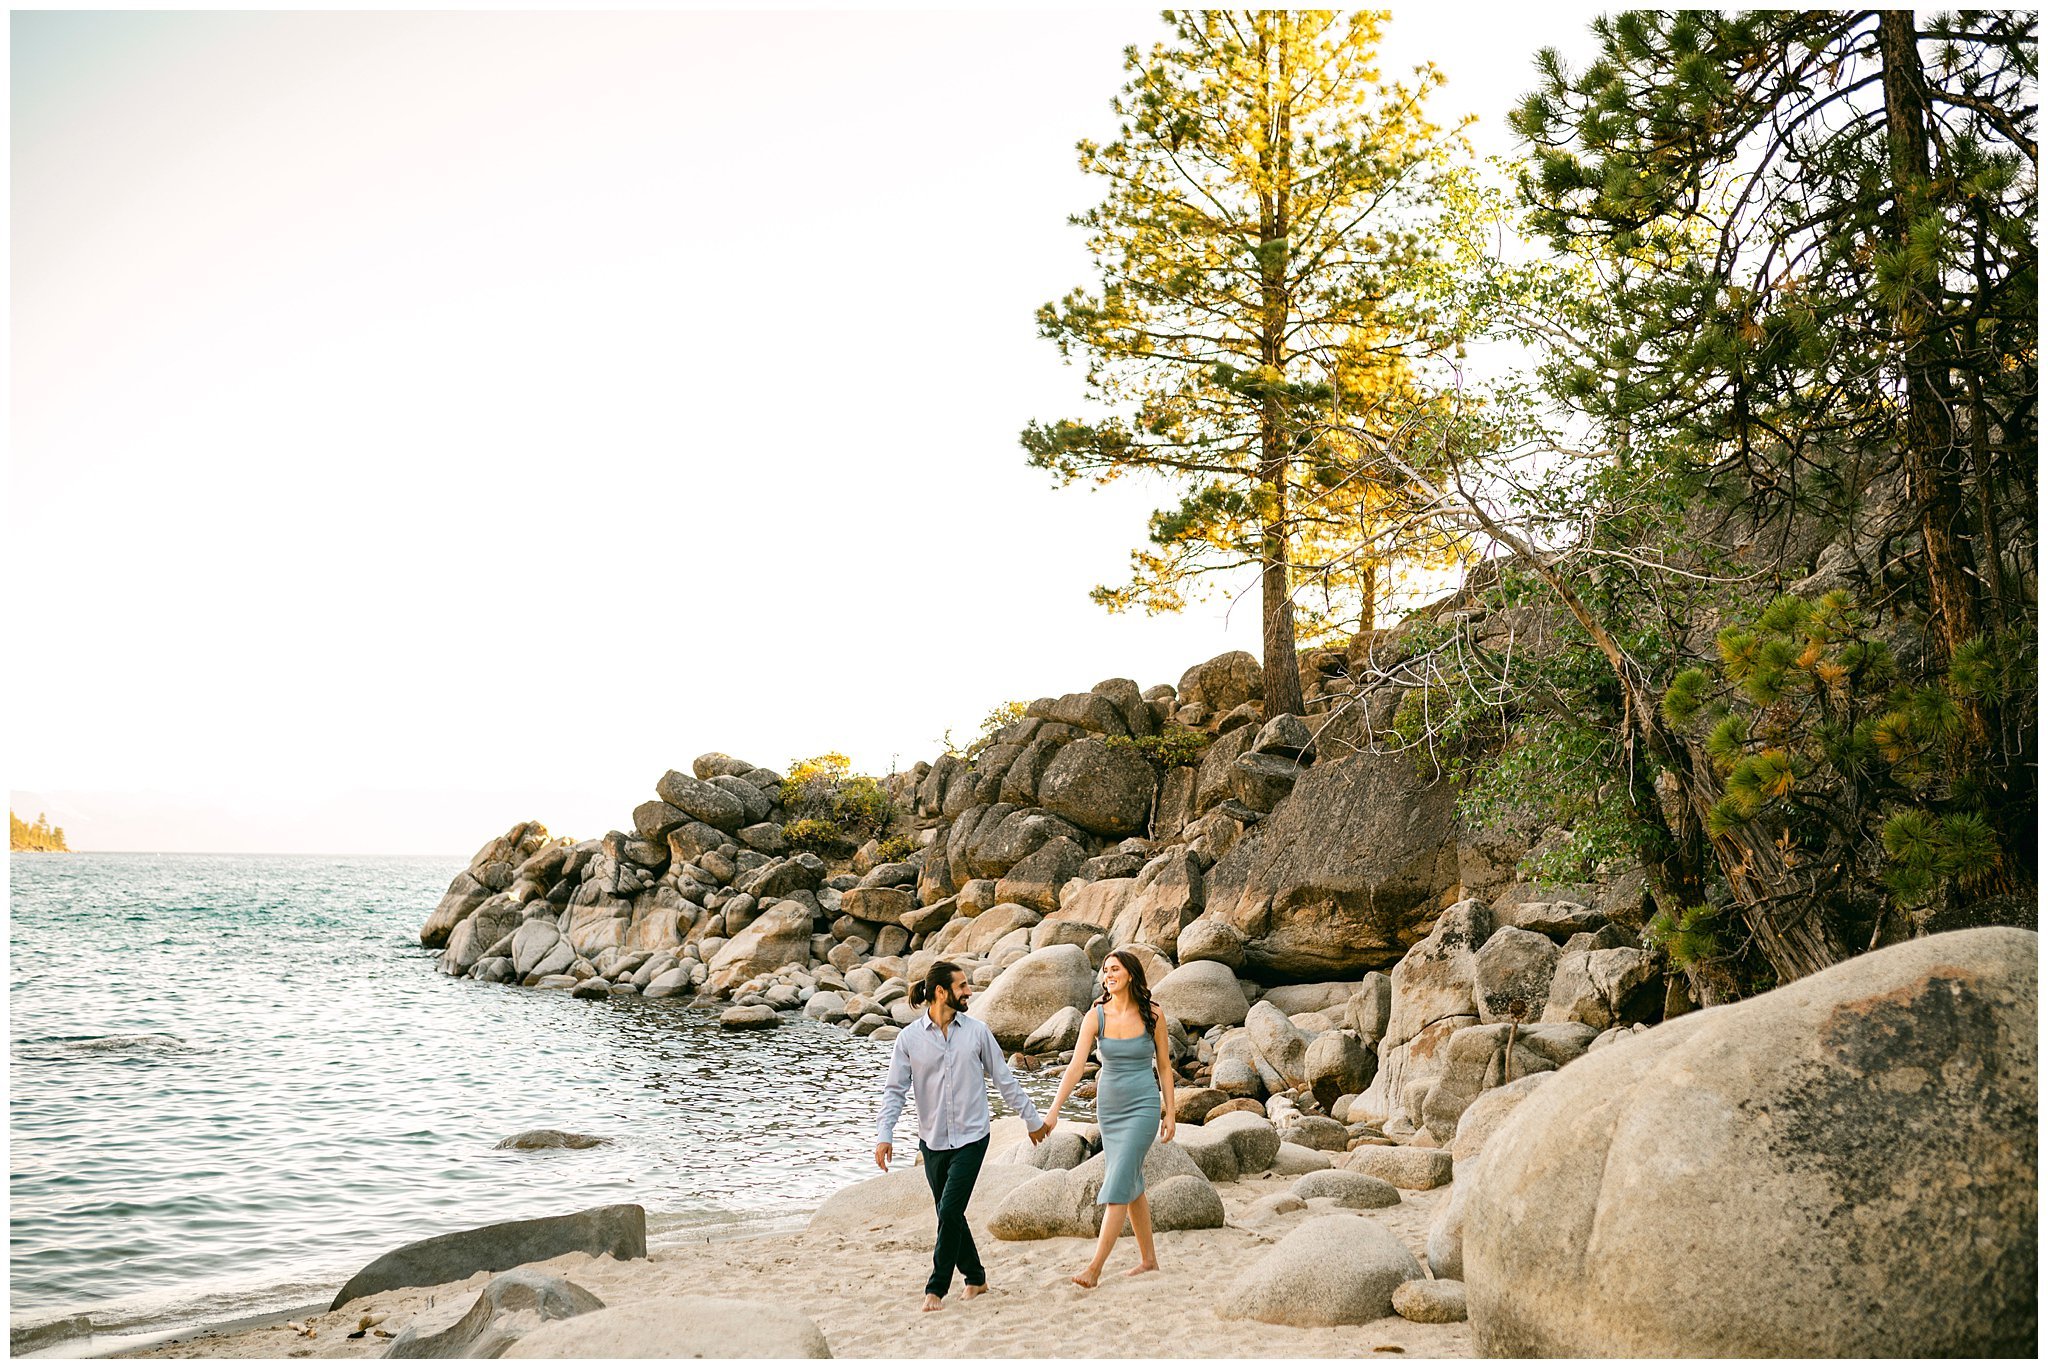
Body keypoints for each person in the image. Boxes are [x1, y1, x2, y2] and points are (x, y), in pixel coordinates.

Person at [875, 959, 1052, 1312]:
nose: (969, 991)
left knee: (950, 1210)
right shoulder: (909, 1039)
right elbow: (894, 1090)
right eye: (961, 986)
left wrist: (1032, 1120)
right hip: (932, 1142)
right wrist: (885, 1134)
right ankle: (976, 1278)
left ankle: (936, 1289)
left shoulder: (977, 1032)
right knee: (949, 1214)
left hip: (973, 1138)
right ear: (940, 992)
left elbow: (1004, 1079)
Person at [1041, 947, 1176, 1287]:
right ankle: (1149, 1261)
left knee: (1118, 1182)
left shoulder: (1154, 1015)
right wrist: (1054, 1111)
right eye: (1104, 970)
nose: (1108, 975)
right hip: (1110, 1109)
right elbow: (1075, 1068)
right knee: (1131, 1182)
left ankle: (1095, 1268)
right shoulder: (1095, 1016)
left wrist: (1170, 1112)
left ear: (1130, 974)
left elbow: (1164, 1067)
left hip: (1143, 1106)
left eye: (1114, 969)